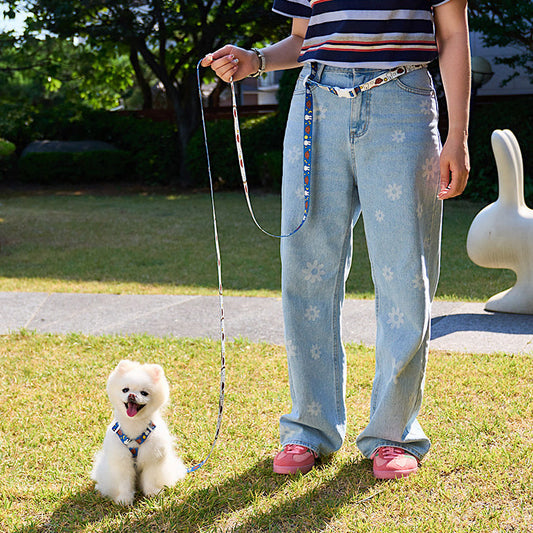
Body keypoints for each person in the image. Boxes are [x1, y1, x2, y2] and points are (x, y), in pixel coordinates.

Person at [202, 0, 470, 479]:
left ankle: (392, 434)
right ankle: (309, 428)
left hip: (401, 103)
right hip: (314, 102)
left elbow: (451, 35)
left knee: (405, 275)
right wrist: (255, 60)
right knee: (307, 270)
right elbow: (304, 39)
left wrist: (458, 136)